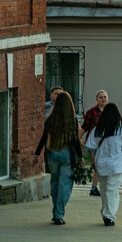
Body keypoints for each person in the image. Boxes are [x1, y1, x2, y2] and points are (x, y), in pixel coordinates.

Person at [84, 102, 122, 226]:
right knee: (112, 191)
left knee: (105, 189)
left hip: (101, 164)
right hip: (115, 165)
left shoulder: (97, 129)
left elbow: (90, 146)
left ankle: (106, 213)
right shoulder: (120, 129)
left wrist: (92, 160)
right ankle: (109, 215)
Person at [36, 91, 81, 225]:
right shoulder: (72, 120)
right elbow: (75, 140)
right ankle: (59, 213)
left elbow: (44, 136)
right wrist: (79, 156)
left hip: (52, 153)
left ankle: (56, 210)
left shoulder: (51, 119)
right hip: (67, 154)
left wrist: (37, 152)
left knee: (55, 183)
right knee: (66, 184)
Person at [79, 89, 107, 197]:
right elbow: (84, 127)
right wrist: (78, 138)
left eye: (105, 97)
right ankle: (94, 188)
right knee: (96, 164)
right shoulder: (92, 112)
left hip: (107, 143)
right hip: (94, 143)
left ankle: (103, 187)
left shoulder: (110, 111)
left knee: (105, 165)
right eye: (101, 97)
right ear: (96, 99)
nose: (103, 99)